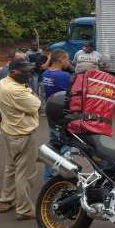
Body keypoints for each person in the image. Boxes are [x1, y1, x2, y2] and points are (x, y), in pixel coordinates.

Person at [0, 58, 41, 220]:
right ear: (13, 72)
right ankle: (24, 210)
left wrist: (28, 90)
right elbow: (37, 104)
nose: (28, 74)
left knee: (11, 168)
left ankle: (6, 200)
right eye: (25, 71)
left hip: (10, 132)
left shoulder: (3, 82)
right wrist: (31, 92)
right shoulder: (17, 91)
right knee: (25, 174)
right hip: (22, 135)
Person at [41, 50, 73, 181]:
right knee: (66, 145)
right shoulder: (64, 76)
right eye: (67, 59)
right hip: (63, 115)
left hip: (51, 112)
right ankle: (61, 177)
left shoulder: (46, 73)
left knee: (54, 144)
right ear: (60, 59)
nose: (69, 62)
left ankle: (48, 176)